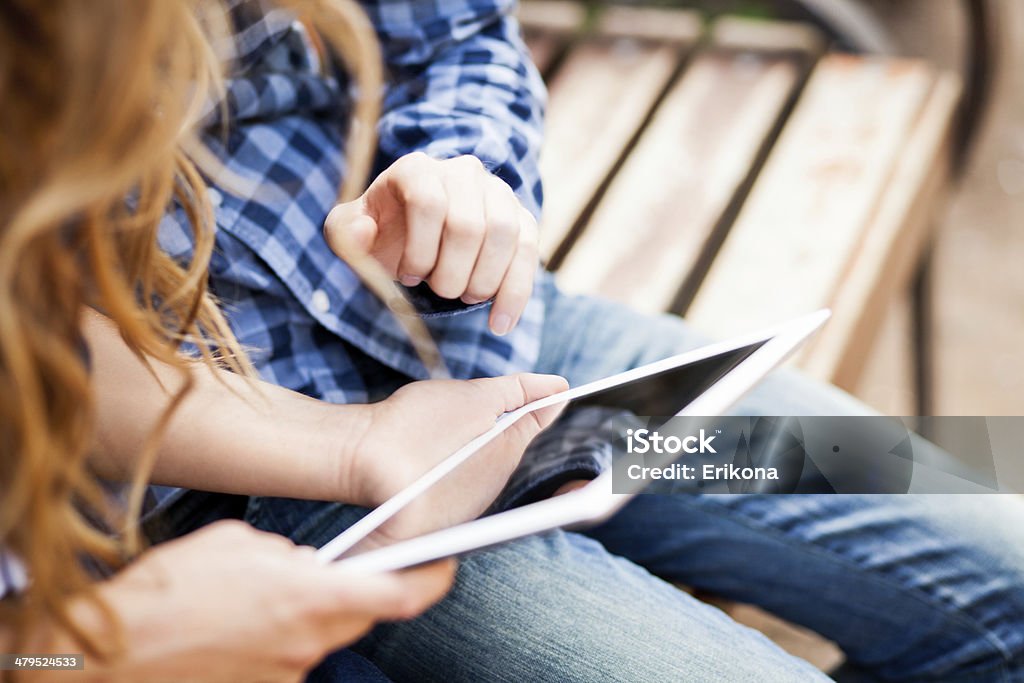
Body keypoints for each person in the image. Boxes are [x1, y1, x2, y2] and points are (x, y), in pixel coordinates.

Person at [148, 0, 1024, 681]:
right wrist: (344, 447)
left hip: (498, 338)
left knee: (1002, 546)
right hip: (249, 482)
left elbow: (458, 35)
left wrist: (465, 173)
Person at [0, 1, 568, 680]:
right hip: (213, 506)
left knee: (730, 451)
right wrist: (83, 654)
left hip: (472, 331)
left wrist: (459, 177)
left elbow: (456, 33)